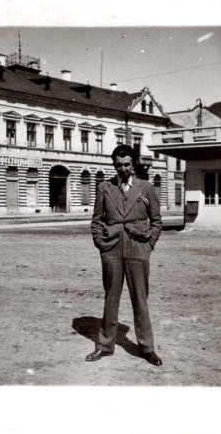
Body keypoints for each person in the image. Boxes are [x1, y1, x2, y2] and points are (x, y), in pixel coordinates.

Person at [86, 144, 163, 366]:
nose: (123, 169)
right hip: (111, 249)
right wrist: (101, 243)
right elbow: (96, 220)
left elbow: (156, 221)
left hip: (138, 248)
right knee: (111, 298)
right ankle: (105, 345)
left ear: (133, 165)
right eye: (118, 165)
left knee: (140, 299)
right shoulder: (104, 187)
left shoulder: (146, 188)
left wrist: (148, 244)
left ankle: (147, 348)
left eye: (127, 164)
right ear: (114, 165)